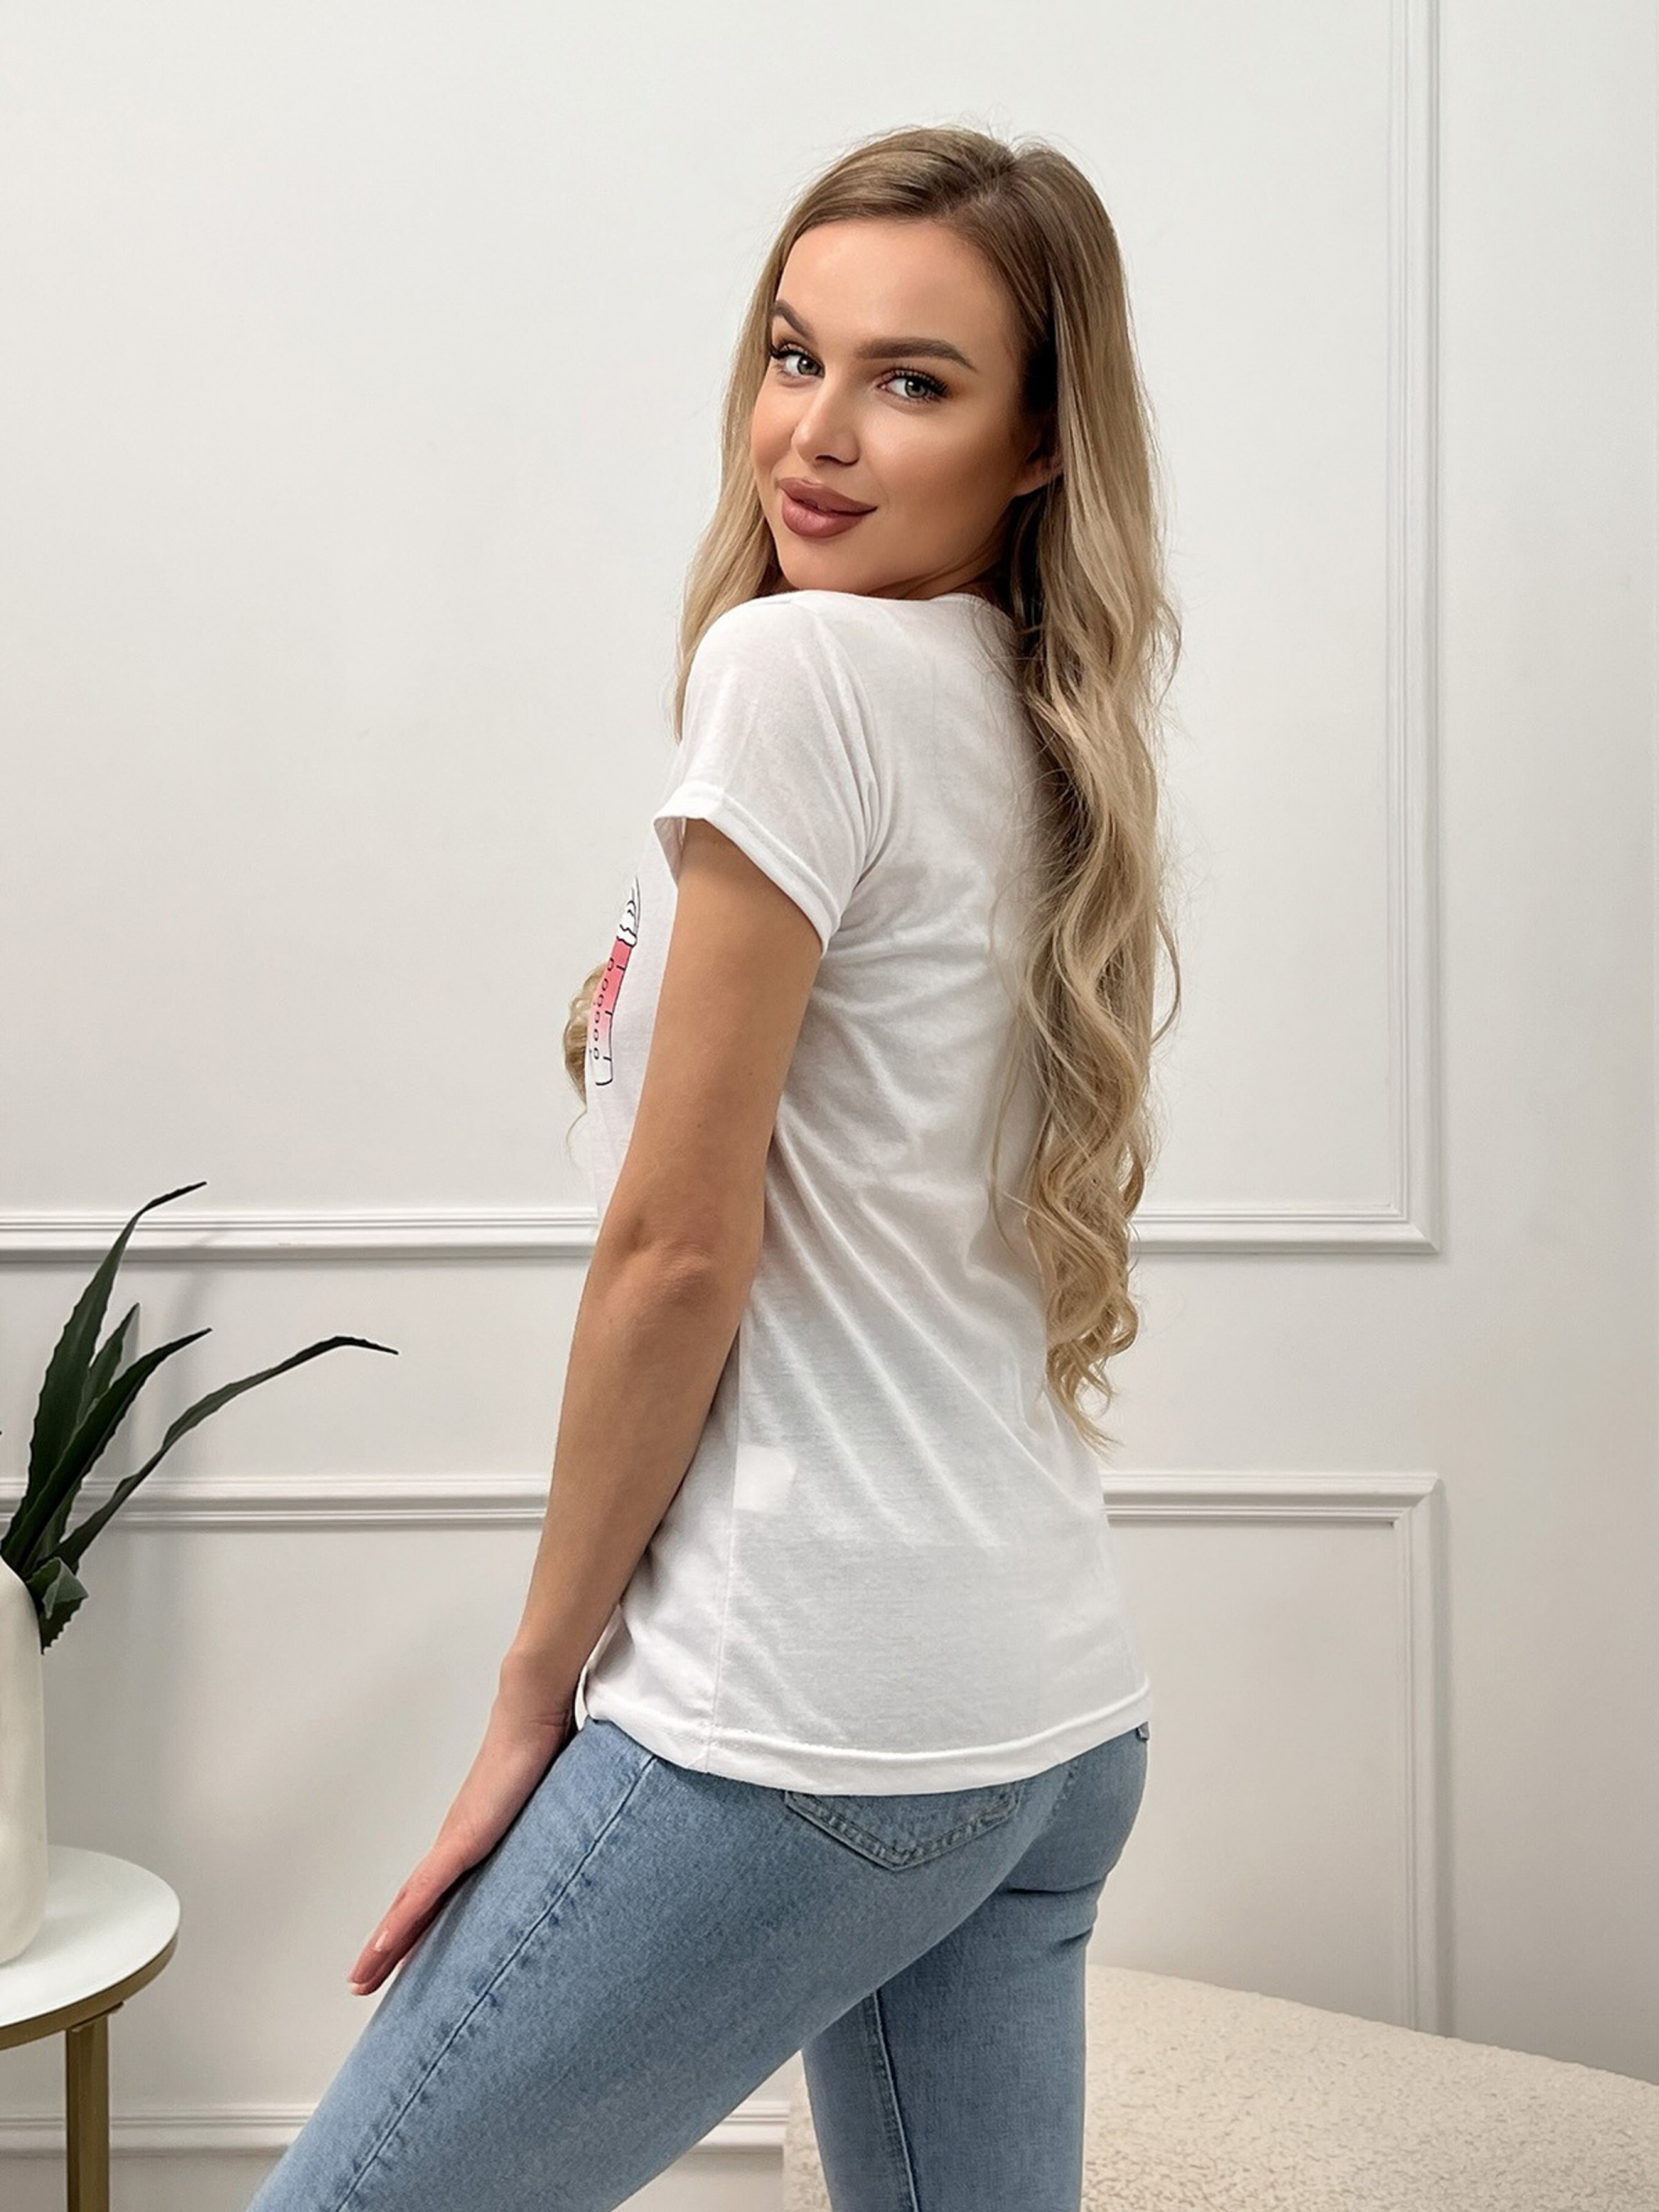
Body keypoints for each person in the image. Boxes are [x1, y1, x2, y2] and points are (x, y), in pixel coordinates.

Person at [247, 119, 1182, 2212]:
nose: (815, 432)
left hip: (805, 1721)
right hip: (1046, 1722)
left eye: (910, 381)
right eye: (790, 353)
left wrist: (534, 1696)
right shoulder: (1039, 712)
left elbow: (677, 1249)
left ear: (1039, 443)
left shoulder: (796, 674)